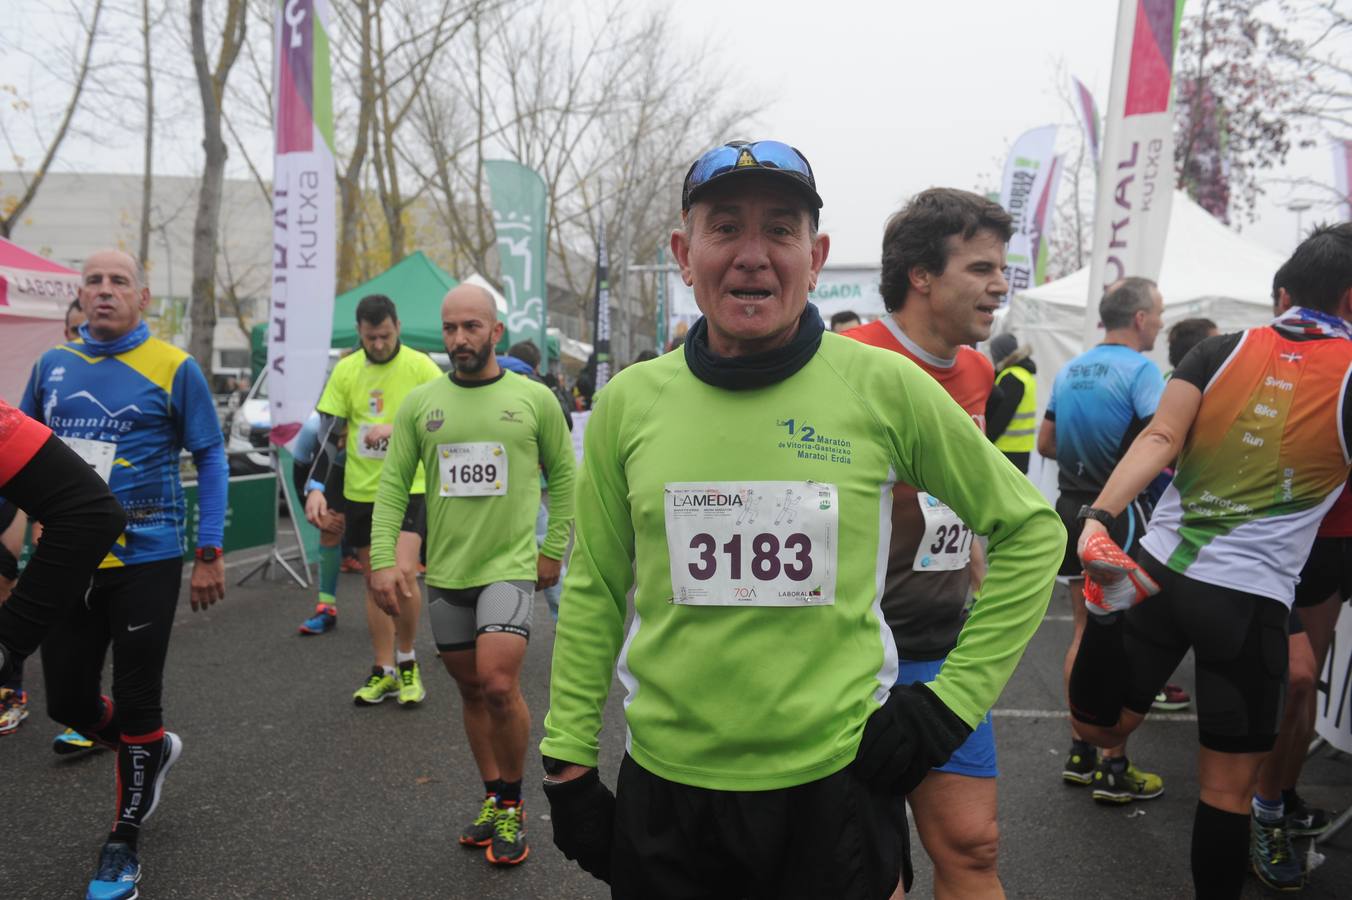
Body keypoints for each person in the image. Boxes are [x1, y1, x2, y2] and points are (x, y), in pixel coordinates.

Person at [538, 139, 1063, 899]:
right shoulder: (628, 401)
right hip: (670, 790)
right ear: (685, 255)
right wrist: (568, 766)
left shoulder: (883, 385)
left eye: (780, 230)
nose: (753, 256)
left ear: (814, 257)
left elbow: (1031, 531)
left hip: (833, 787)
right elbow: (593, 586)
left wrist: (947, 707)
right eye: (726, 229)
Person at [1066, 222, 1352, 898]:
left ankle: (1103, 620)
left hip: (1159, 569)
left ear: (1286, 290)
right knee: (1226, 790)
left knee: (1098, 725)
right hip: (1249, 598)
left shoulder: (1220, 347)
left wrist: (1100, 519)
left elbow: (1162, 434)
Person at [21, 248, 228, 900]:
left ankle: (123, 842)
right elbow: (18, 454)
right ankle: (150, 750)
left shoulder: (175, 367)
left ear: (142, 297)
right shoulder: (52, 367)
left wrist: (210, 550)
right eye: (94, 281)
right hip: (64, 560)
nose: (104, 291)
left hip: (147, 554)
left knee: (138, 698)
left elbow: (212, 453)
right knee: (69, 703)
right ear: (80, 296)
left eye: (119, 282)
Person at [370, 284, 575, 867]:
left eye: (471, 327)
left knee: (498, 684)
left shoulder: (534, 400)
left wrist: (551, 549)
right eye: (451, 329)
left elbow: (565, 480)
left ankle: (515, 806)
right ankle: (493, 795)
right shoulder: (420, 404)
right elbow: (391, 487)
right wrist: (384, 558)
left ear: (495, 332)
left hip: (508, 567)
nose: (460, 339)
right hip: (449, 572)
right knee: (467, 688)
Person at [844, 187, 1012, 899]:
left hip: (943, 654)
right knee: (873, 875)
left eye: (1001, 269)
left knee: (974, 848)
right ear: (920, 275)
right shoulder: (842, 362)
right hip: (848, 667)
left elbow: (968, 493)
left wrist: (978, 575)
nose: (999, 285)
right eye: (980, 269)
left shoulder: (977, 370)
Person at [1037, 276, 1166, 803]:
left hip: (1071, 507)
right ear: (1139, 318)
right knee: (1121, 636)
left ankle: (1080, 749)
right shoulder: (1141, 369)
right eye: (1157, 312)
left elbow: (1045, 441)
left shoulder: (1071, 368)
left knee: (1085, 630)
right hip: (1119, 513)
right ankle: (1114, 765)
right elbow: (1166, 440)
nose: (1159, 321)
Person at [1245, 266, 1346, 889]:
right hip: (1285, 540)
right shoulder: (1263, 353)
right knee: (1297, 682)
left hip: (1336, 544)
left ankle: (1280, 796)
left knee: (1308, 691)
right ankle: (1264, 811)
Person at [306, 294, 443, 706]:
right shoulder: (347, 370)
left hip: (410, 485)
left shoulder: (421, 366)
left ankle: (408, 662)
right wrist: (316, 486)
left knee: (401, 573)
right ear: (360, 333)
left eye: (384, 336)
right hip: (362, 490)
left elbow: (443, 420)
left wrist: (398, 427)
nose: (378, 344)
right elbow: (329, 434)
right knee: (375, 581)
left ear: (397, 326)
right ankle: (383, 670)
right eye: (370, 338)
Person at [0, 297, 92, 739]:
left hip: (90, 508)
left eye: (85, 329)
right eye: (73, 330)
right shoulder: (50, 370)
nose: (79, 338)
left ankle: (28, 694)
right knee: (63, 613)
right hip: (39, 496)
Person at [505, 339, 572, 621]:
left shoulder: (481, 375)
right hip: (523, 485)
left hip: (472, 496)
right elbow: (564, 422)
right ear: (534, 365)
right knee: (543, 543)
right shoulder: (536, 387)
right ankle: (567, 620)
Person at [291, 410, 347, 635]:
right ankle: (326, 608)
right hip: (337, 471)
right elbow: (299, 475)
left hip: (374, 470)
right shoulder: (313, 429)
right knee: (331, 528)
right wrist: (315, 515)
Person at [984, 333, 1037, 474]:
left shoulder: (1011, 377)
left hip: (1005, 450)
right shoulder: (1024, 374)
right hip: (1020, 450)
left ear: (1000, 354)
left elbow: (1000, 418)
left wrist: (983, 442)